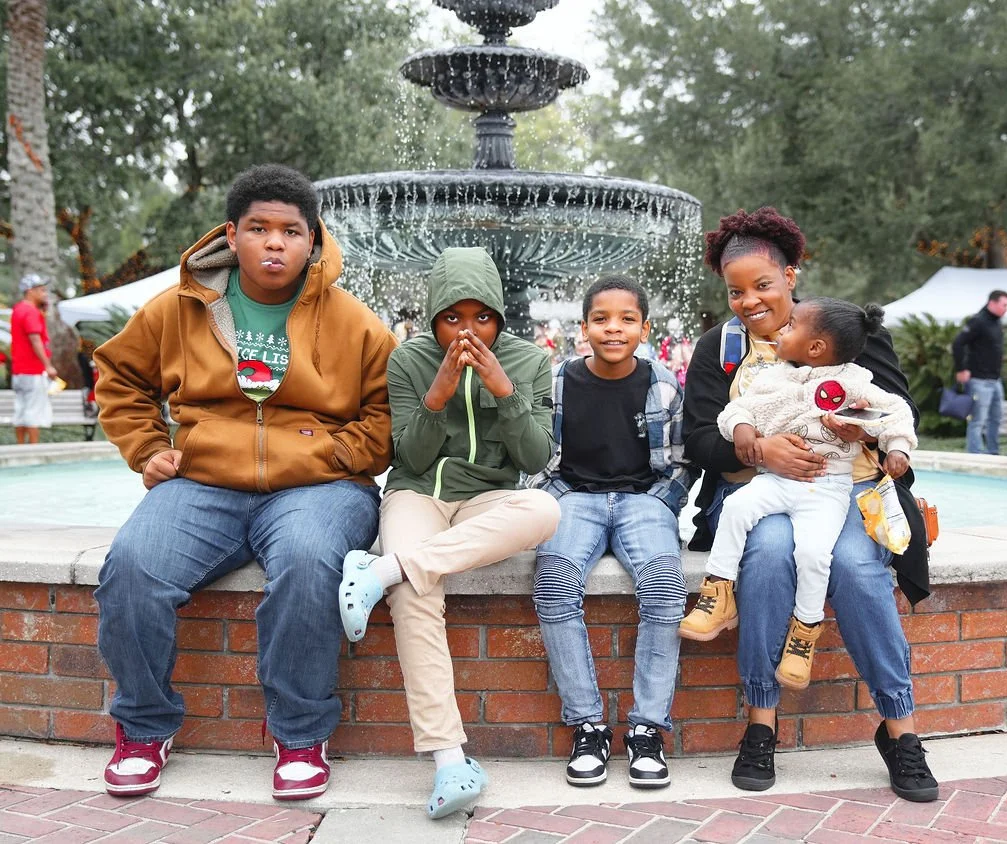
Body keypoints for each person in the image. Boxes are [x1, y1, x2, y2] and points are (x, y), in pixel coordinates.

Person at [92, 164, 397, 800]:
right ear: (233, 235)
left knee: (311, 562)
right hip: (205, 480)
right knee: (132, 564)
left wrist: (339, 453)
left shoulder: (354, 321)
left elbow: (388, 411)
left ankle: (300, 735)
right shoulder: (178, 309)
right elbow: (118, 376)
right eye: (259, 228)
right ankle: (144, 729)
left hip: (320, 485)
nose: (275, 243)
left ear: (313, 238)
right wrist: (147, 448)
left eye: (290, 230)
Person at [684, 206, 938, 803]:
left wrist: (861, 430)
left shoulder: (845, 331)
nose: (749, 301)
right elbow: (699, 437)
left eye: (763, 286)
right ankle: (761, 723)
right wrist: (761, 447)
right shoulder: (718, 349)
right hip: (760, 489)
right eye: (736, 291)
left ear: (791, 276)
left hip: (849, 490)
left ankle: (900, 730)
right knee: (769, 555)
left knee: (854, 567)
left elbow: (899, 413)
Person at [337, 246, 561, 819]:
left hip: (489, 497)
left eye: (480, 316)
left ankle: (379, 569)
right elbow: (404, 455)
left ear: (498, 316)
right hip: (419, 493)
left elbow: (536, 455)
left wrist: (504, 390)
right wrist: (437, 391)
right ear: (434, 314)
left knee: (545, 511)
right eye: (452, 318)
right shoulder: (408, 359)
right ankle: (449, 760)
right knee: (415, 592)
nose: (467, 330)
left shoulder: (530, 360)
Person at [679, 298, 917, 692]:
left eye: (789, 328)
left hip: (827, 490)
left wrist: (893, 447)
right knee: (738, 506)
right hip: (775, 480)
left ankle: (804, 633)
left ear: (816, 347)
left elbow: (897, 413)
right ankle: (717, 591)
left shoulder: (855, 382)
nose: (780, 332)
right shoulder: (775, 377)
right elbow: (737, 410)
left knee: (814, 554)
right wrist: (743, 432)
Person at [529, 275, 689, 790]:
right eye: (601, 319)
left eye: (626, 320)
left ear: (644, 327)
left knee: (665, 586)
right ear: (584, 327)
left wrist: (659, 504)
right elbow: (538, 458)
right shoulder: (558, 382)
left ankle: (647, 729)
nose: (613, 329)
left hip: (643, 500)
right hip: (575, 498)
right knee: (554, 583)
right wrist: (551, 501)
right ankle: (588, 725)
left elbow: (682, 465)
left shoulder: (663, 384)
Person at [953, 289, 1007, 455]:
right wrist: (961, 369)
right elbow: (958, 343)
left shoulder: (997, 322)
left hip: (995, 380)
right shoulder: (978, 321)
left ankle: (993, 452)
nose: (1006, 308)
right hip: (979, 380)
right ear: (992, 303)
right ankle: (975, 455)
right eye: (1004, 304)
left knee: (996, 419)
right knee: (978, 420)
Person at [10, 272, 58, 444]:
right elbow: (35, 339)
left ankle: (20, 448)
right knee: (33, 411)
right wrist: (48, 366)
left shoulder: (18, 309)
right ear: (30, 291)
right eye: (41, 290)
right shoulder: (30, 311)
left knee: (21, 411)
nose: (44, 293)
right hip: (33, 370)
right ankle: (33, 451)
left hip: (19, 371)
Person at [658, 317, 693, 388]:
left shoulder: (684, 342)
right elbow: (662, 362)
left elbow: (689, 361)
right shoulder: (666, 342)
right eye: (672, 330)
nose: (674, 332)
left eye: (676, 330)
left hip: (683, 378)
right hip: (671, 377)